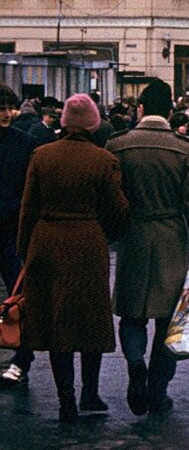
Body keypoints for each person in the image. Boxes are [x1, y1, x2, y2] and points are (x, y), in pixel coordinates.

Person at [20, 94, 128, 422]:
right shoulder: (103, 159)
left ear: (64, 121)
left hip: (47, 241)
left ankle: (65, 398)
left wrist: (24, 251)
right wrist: (108, 233)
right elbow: (119, 208)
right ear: (94, 123)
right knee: (90, 319)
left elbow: (29, 206)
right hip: (87, 242)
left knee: (56, 322)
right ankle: (89, 393)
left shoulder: (41, 155)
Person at [108, 79, 189, 416]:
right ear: (170, 111)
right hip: (170, 236)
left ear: (140, 109)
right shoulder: (183, 147)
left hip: (134, 235)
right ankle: (158, 389)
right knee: (169, 321)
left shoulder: (118, 144)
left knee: (132, 314)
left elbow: (111, 197)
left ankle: (135, 363)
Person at [0, 83, 36, 389]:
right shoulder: (24, 142)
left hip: (12, 230)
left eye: (9, 107)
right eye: (1, 108)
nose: (6, 114)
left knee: (20, 298)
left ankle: (22, 360)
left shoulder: (24, 143)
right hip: (12, 226)